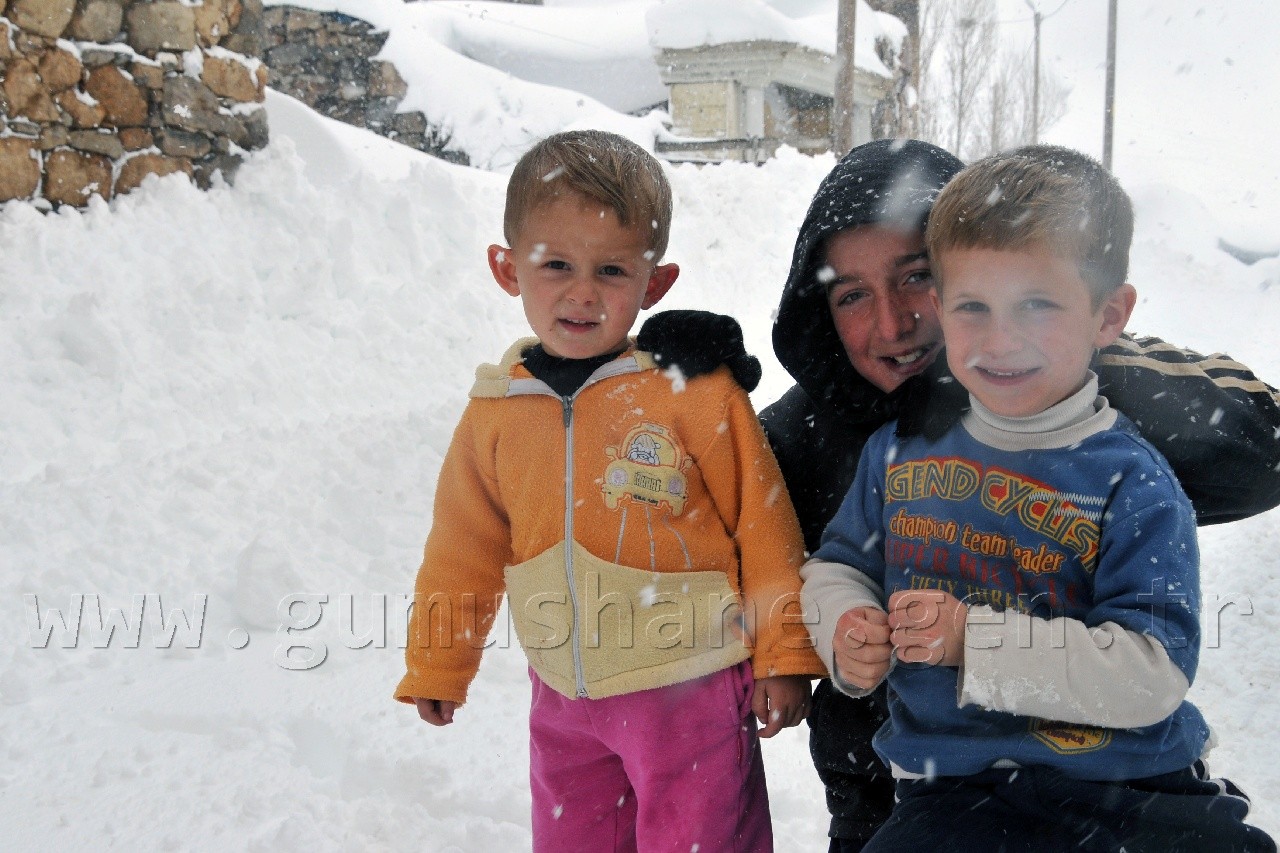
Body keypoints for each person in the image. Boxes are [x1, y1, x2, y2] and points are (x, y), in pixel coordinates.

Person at [637, 137, 1280, 850]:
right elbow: (649, 530)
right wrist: (672, 396)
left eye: (914, 277)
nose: (891, 323)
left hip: (1123, 789)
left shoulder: (1103, 423)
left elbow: (1261, 444)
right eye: (852, 294)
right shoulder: (797, 443)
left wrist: (1070, 382)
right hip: (902, 805)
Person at [393, 129, 825, 852]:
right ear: (507, 268)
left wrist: (783, 651)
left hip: (688, 686)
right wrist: (440, 654)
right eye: (556, 263)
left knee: (700, 840)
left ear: (655, 284)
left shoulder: (696, 391)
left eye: (613, 270)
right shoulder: (498, 409)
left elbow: (764, 527)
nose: (583, 291)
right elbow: (463, 545)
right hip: (564, 697)